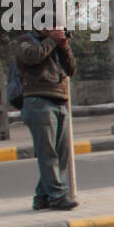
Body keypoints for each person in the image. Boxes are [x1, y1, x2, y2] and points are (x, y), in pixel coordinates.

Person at [15, 25, 79, 211]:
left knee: (63, 153)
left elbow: (71, 69)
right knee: (48, 153)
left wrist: (64, 45)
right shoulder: (25, 41)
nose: (56, 30)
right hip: (38, 101)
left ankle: (42, 197)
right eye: (52, 26)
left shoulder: (55, 45)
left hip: (59, 100)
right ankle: (57, 197)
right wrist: (51, 40)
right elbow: (32, 57)